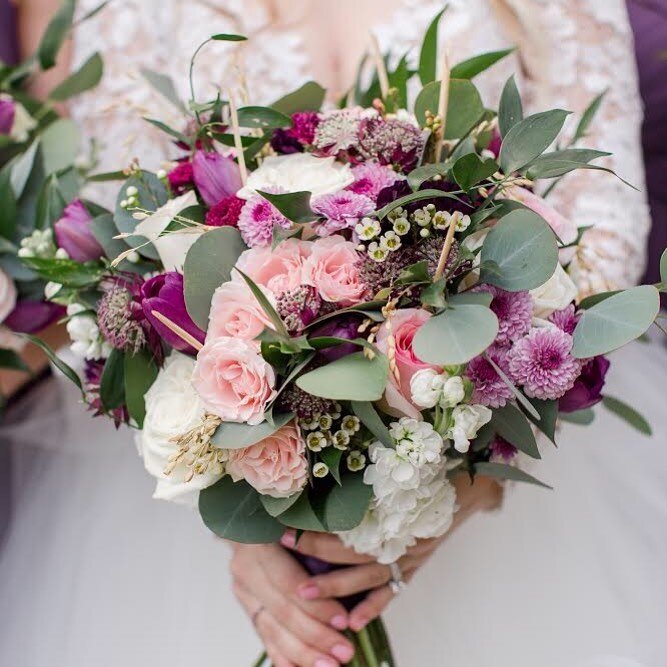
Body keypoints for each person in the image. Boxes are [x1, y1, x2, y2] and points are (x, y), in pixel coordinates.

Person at [0, 2, 663, 667]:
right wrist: (242, 517)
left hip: (506, 465)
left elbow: (605, 228)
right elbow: (127, 255)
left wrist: (470, 475)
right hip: (196, 511)